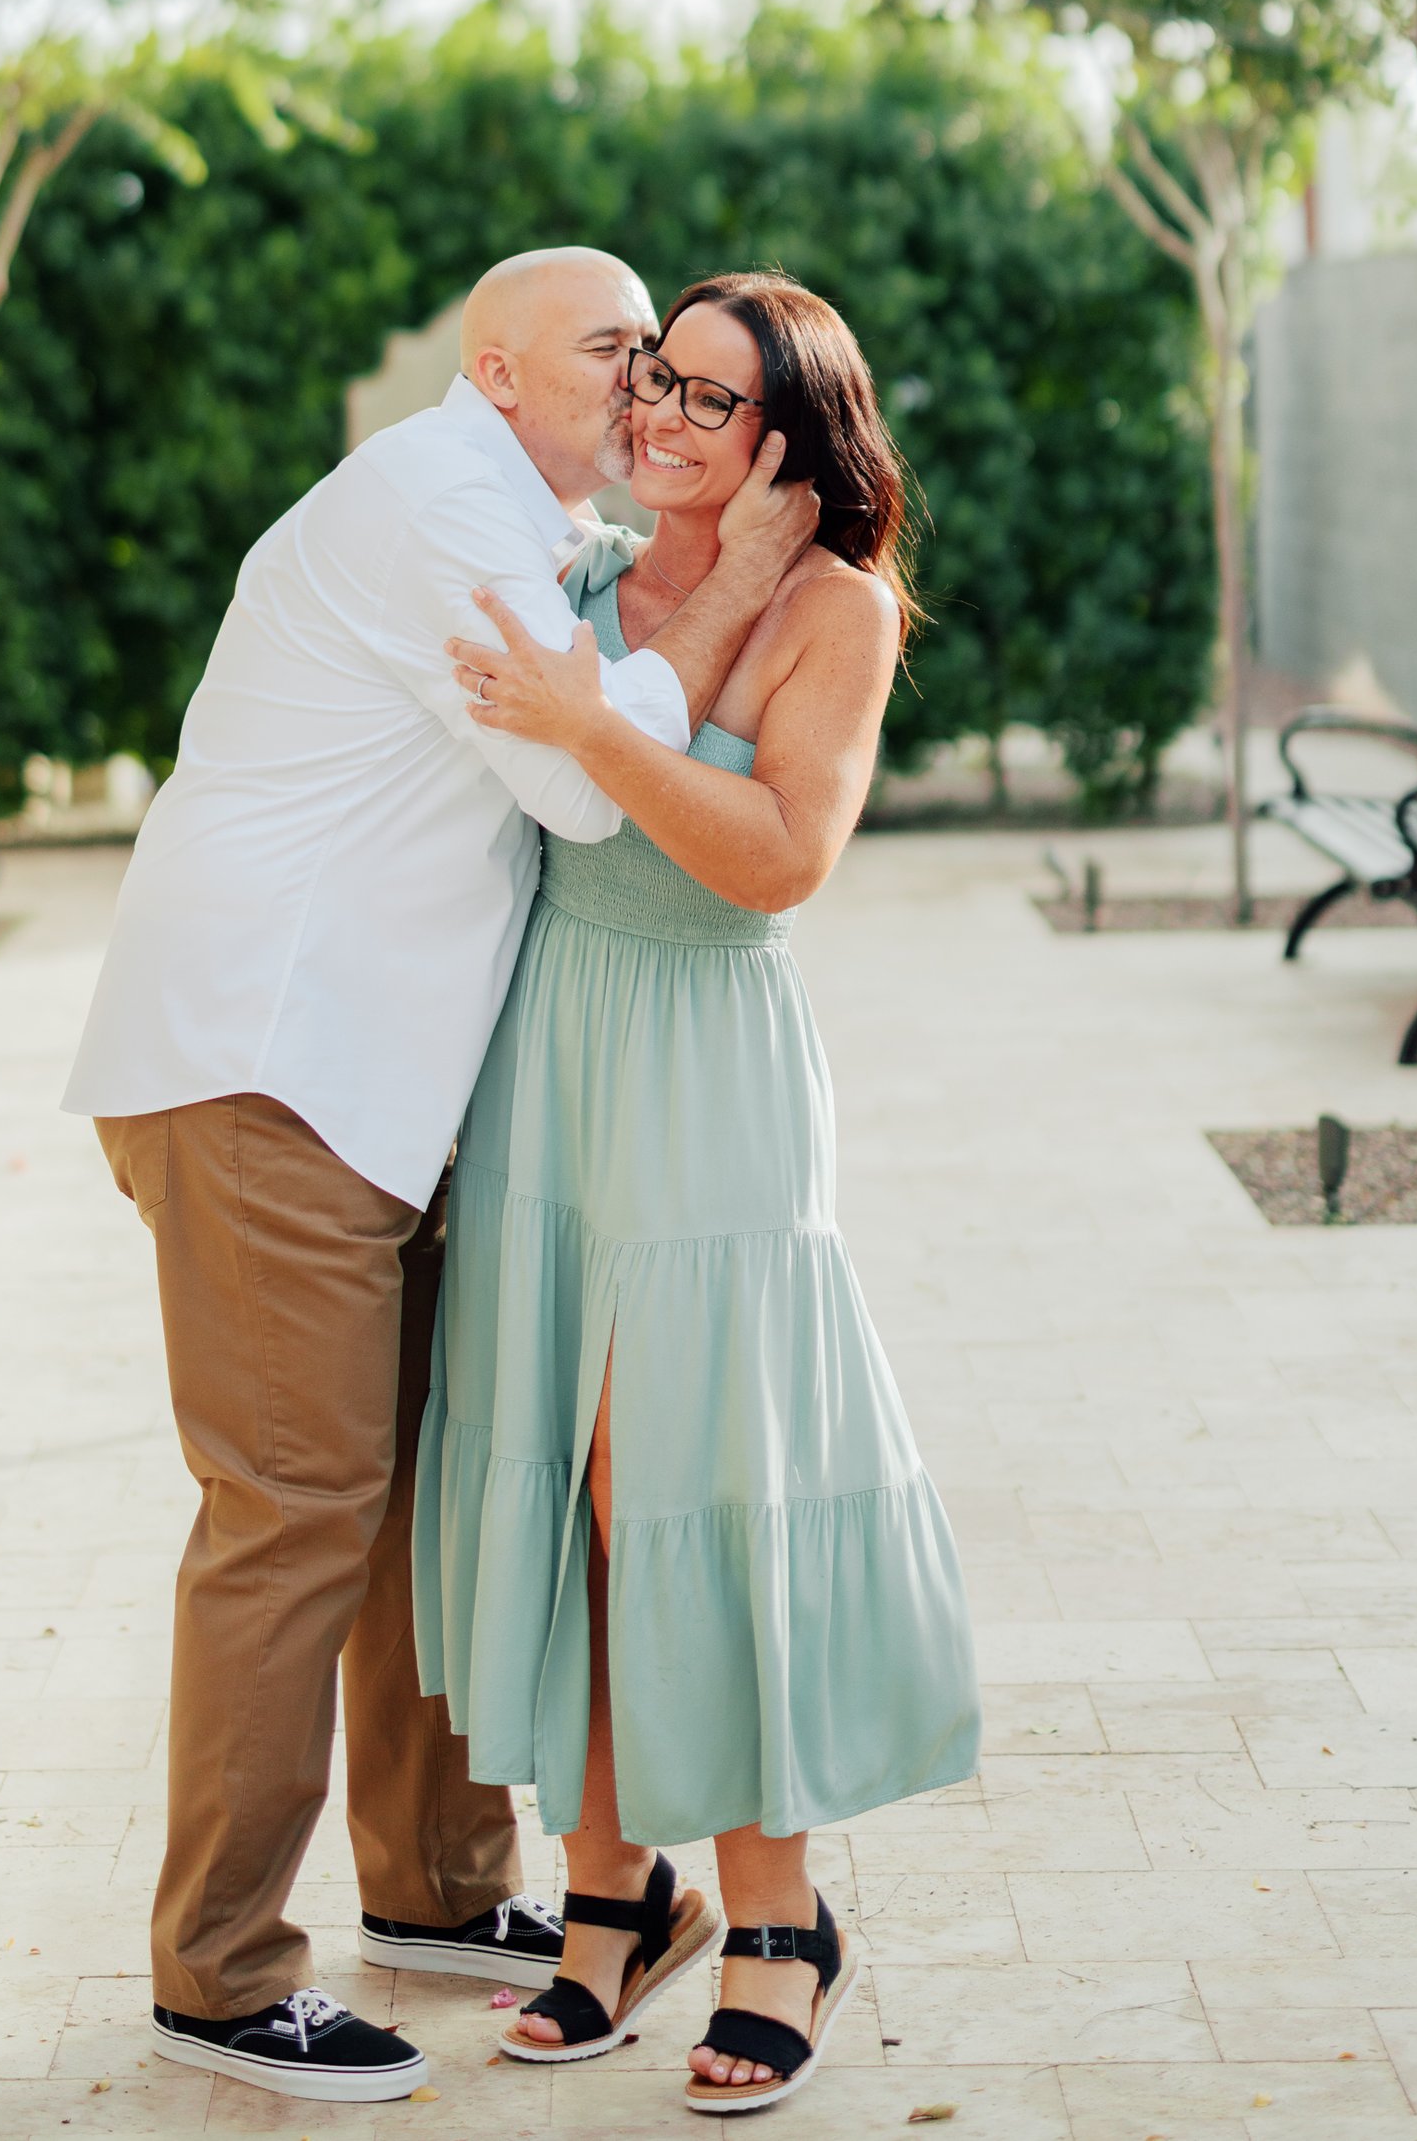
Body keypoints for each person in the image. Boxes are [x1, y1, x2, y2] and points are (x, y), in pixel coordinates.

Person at [62, 247, 819, 2103]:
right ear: (494, 366)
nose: (646, 379)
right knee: (298, 1504)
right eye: (609, 347)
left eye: (665, 354)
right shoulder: (438, 499)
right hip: (267, 1064)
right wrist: (728, 581)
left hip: (368, 1090)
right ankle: (220, 1974)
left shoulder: (519, 511)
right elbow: (581, 776)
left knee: (404, 1492)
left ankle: (432, 1888)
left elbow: (589, 720)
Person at [415, 271, 980, 2118]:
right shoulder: (574, 577)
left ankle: (781, 1917)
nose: (659, 410)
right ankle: (606, 1895)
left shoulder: (834, 610)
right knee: (572, 1478)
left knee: (698, 1483)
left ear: (786, 448)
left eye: (710, 398)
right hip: (551, 1053)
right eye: (656, 374)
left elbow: (777, 863)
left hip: (709, 1076)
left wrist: (599, 735)